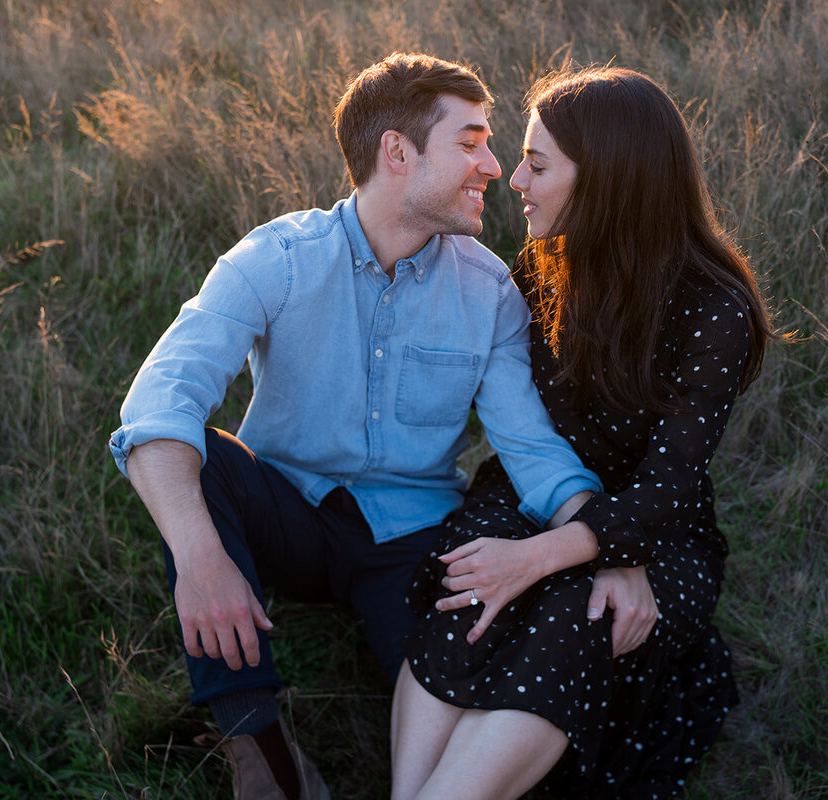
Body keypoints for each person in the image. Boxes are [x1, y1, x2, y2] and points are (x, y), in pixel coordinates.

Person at [108, 53, 607, 800]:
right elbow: (157, 404)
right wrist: (201, 557)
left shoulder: (491, 293)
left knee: (458, 691)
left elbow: (532, 449)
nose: (494, 166)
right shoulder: (276, 258)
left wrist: (604, 540)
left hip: (409, 542)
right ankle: (261, 752)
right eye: (469, 142)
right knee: (201, 460)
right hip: (284, 512)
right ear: (397, 152)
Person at [392, 66, 779, 800]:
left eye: (537, 165)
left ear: (607, 178)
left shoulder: (714, 307)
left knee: (576, 612)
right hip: (532, 491)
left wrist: (586, 553)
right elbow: (516, 424)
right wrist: (528, 550)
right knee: (470, 586)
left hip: (658, 528)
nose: (514, 180)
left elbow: (668, 486)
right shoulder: (542, 266)